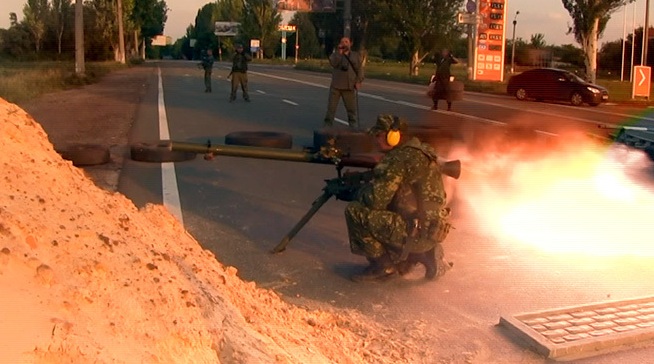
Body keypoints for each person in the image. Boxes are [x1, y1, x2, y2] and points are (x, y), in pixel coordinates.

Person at [344, 114, 453, 282]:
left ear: (393, 137)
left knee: (355, 211)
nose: (375, 140)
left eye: (379, 135)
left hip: (414, 231)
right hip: (431, 230)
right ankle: (425, 254)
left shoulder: (398, 160)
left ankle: (383, 266)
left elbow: (375, 200)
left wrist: (354, 190)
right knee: (391, 208)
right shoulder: (420, 152)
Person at [323, 37, 364, 128]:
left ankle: (353, 128)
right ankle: (327, 128)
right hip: (336, 86)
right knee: (331, 110)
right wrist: (339, 53)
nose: (344, 44)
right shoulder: (336, 55)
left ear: (350, 44)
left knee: (351, 111)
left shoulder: (355, 56)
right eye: (342, 42)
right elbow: (333, 63)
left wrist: (358, 81)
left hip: (349, 86)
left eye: (346, 42)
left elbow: (360, 70)